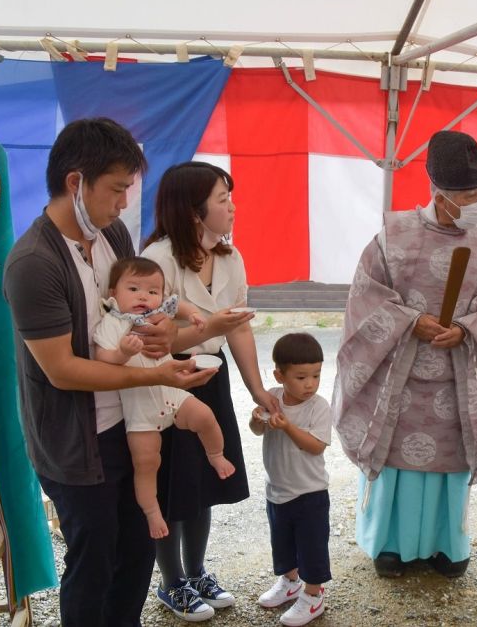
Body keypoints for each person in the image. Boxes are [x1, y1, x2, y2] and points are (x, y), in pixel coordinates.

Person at [3, 117, 217, 626]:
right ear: (76, 182)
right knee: (93, 560)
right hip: (76, 441)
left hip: (130, 421)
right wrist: (158, 377)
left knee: (138, 551)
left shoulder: (111, 234)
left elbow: (137, 308)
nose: (124, 203)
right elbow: (63, 371)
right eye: (117, 189)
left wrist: (164, 332)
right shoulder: (34, 262)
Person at [333, 130, 477, 579]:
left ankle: (447, 545)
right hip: (397, 376)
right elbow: (365, 300)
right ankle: (388, 546)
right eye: (468, 195)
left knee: (449, 465)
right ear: (440, 193)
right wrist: (410, 321)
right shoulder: (393, 236)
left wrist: (468, 329)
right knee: (395, 462)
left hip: (458, 379)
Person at [142, 161, 279, 620]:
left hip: (211, 379)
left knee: (205, 481)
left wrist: (258, 389)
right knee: (172, 486)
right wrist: (210, 328)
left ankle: (196, 570)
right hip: (166, 380)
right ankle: (171, 582)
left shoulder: (229, 257)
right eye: (223, 199)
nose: (232, 207)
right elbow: (150, 339)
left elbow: (237, 330)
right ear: (194, 211)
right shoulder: (159, 260)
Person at [93, 256, 236, 538]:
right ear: (113, 293)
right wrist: (122, 353)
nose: (143, 297)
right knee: (146, 463)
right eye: (133, 289)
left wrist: (194, 314)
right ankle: (152, 511)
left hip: (172, 393)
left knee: (205, 416)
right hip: (140, 410)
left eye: (152, 291)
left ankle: (216, 454)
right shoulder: (112, 323)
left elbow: (176, 303)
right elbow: (102, 357)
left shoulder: (158, 312)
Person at [250, 332, 332, 626]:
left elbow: (316, 446)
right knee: (282, 543)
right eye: (300, 377)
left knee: (312, 546)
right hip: (278, 489)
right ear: (279, 375)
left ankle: (313, 596)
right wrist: (256, 417)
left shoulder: (318, 406)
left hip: (310, 492)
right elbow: (258, 432)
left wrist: (287, 427)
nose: (310, 384)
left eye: (316, 375)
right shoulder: (273, 397)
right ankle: (290, 582)